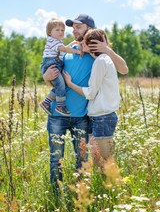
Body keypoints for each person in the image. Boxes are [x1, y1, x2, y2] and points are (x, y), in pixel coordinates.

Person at [43, 14, 128, 188]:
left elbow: (124, 69)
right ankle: (55, 193)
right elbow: (53, 77)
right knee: (55, 158)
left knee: (82, 159)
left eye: (78, 27)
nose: (73, 30)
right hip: (57, 113)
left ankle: (80, 193)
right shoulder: (67, 50)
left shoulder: (98, 54)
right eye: (72, 27)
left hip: (81, 115)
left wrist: (107, 49)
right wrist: (45, 77)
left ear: (89, 28)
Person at [63, 29, 120, 161]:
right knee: (97, 160)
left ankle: (111, 181)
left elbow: (91, 93)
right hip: (98, 116)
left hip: (103, 117)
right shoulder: (101, 60)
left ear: (93, 44)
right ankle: (102, 181)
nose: (80, 42)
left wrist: (70, 84)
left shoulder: (101, 61)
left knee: (105, 161)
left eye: (85, 40)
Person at [40, 18, 81, 117]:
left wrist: (72, 44)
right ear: (50, 33)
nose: (61, 32)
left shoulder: (57, 42)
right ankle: (60, 105)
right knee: (61, 85)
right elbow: (64, 49)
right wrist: (77, 51)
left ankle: (46, 102)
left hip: (55, 64)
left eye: (62, 30)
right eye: (57, 30)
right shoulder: (52, 41)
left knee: (59, 86)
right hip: (51, 65)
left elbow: (63, 48)